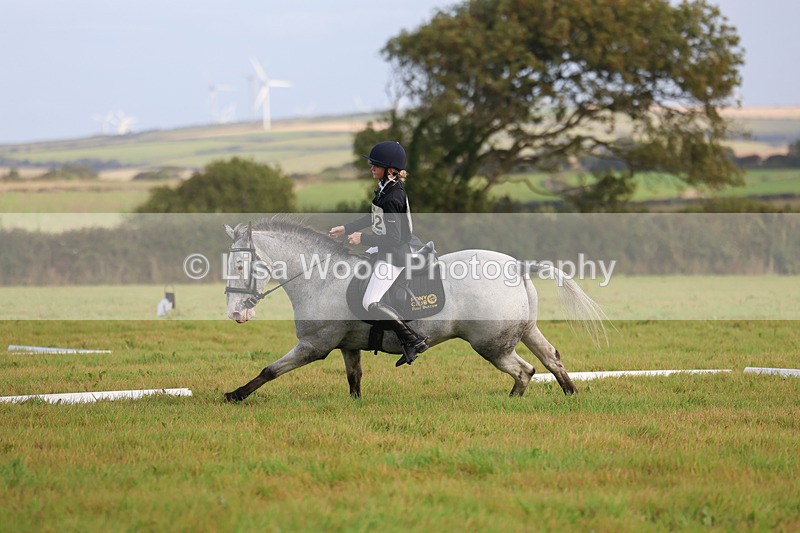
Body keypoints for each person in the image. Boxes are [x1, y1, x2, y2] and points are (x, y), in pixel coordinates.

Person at [329, 141, 428, 366]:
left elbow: (394, 238)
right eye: (372, 165)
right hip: (385, 249)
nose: (371, 168)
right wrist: (347, 228)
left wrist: (363, 238)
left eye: (376, 165)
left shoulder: (393, 197)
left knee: (370, 301)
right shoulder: (387, 188)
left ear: (390, 169)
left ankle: (412, 339)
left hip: (395, 255)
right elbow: (373, 217)